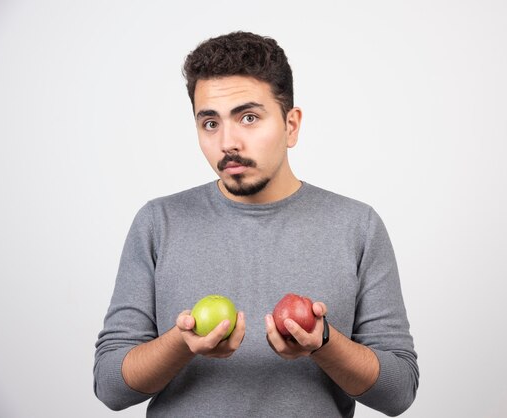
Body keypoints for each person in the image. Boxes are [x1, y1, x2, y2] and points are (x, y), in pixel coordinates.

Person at [94, 31, 419, 417]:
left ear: (291, 125)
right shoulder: (158, 223)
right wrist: (181, 344)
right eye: (210, 123)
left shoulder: (357, 227)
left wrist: (324, 343)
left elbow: (399, 392)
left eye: (249, 117)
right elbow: (110, 386)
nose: (228, 141)